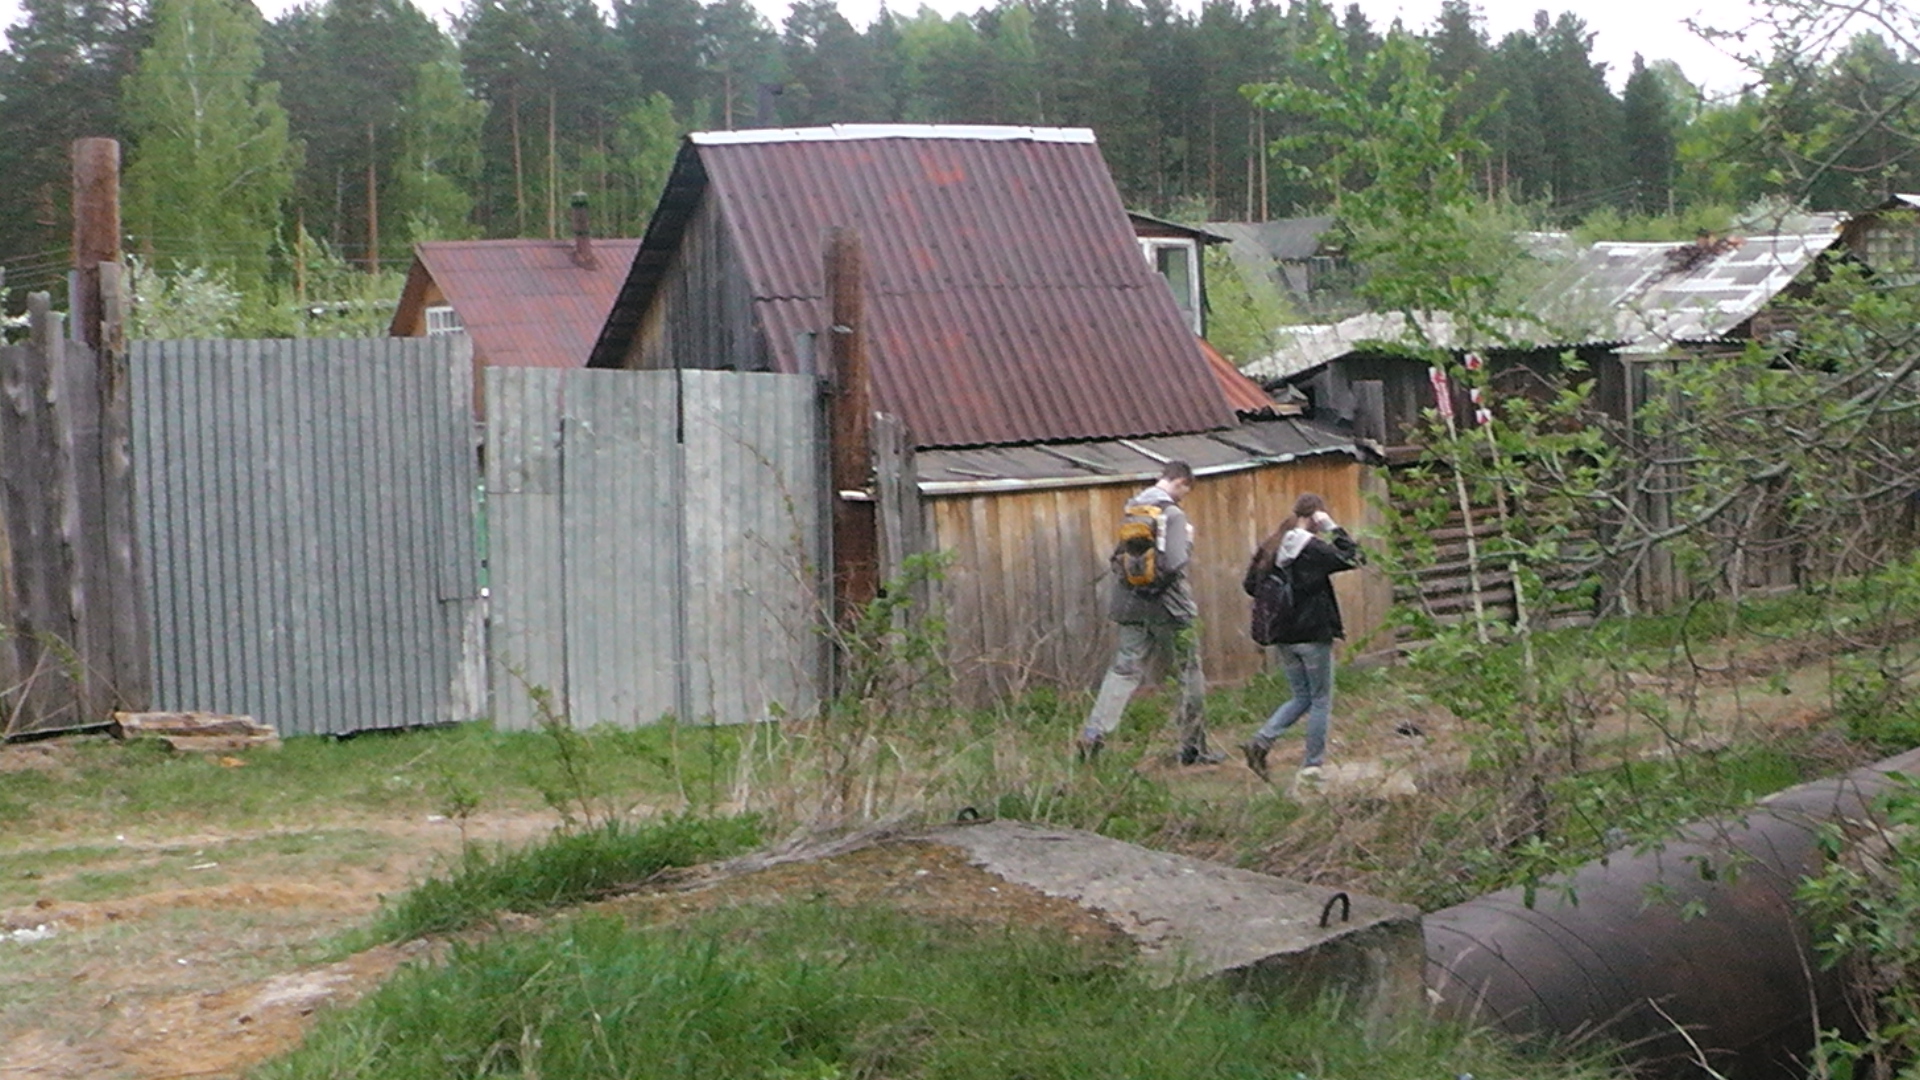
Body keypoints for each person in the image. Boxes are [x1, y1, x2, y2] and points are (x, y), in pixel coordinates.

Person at [1077, 460, 1221, 766]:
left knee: (1123, 669)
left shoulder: (1133, 510)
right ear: (1181, 482)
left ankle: (1094, 732)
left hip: (1129, 604)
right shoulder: (1173, 514)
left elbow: (1116, 558)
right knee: (1188, 670)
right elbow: (1175, 563)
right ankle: (1193, 747)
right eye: (1186, 489)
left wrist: (1138, 589)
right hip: (1171, 607)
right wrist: (1159, 584)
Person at [1241, 493, 1364, 782]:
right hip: (1312, 635)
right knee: (1321, 699)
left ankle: (1260, 742)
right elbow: (1356, 557)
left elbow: (1250, 585)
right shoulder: (1312, 548)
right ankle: (1312, 766)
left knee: (1301, 696)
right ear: (1315, 517)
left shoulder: (1271, 545)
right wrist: (1333, 527)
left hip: (1283, 635)